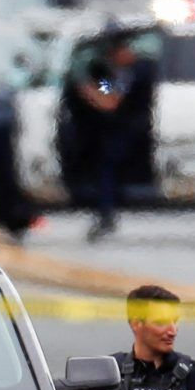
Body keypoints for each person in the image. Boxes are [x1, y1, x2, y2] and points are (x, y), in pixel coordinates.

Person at [72, 36, 157, 240]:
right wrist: (97, 83)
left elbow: (111, 103)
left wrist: (86, 89)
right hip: (122, 129)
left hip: (132, 130)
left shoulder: (136, 72)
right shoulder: (120, 73)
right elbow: (108, 90)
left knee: (106, 168)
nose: (115, 59)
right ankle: (105, 212)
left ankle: (106, 214)